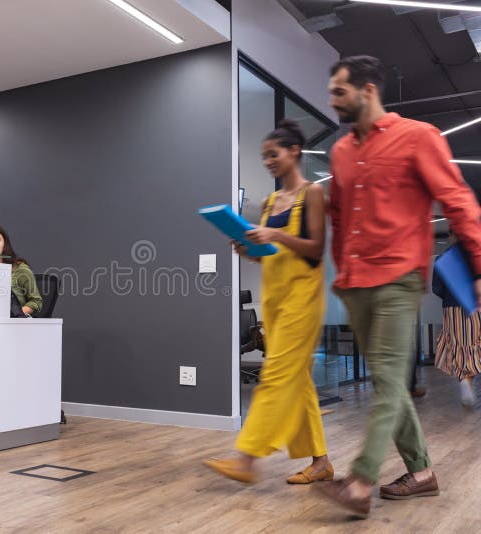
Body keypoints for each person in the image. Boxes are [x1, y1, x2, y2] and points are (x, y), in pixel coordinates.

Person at [316, 55, 481, 517]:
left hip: (397, 277)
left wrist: (480, 267)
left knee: (387, 381)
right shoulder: (342, 152)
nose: (333, 101)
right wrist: (341, 274)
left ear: (368, 90)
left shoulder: (418, 137)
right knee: (389, 381)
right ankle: (423, 472)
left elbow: (458, 201)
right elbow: (339, 216)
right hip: (356, 282)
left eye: (339, 92)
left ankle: (360, 479)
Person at [204, 119, 332, 485]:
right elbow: (268, 255)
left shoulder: (313, 195)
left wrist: (275, 232)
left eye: (273, 154)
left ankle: (246, 458)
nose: (268, 161)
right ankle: (321, 462)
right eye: (263, 157)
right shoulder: (270, 201)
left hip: (303, 301)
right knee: (300, 381)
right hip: (274, 301)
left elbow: (315, 249)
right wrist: (247, 250)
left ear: (294, 152)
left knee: (275, 374)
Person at [433, 239, 481, 408]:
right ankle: (467, 380)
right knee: (473, 343)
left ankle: (464, 380)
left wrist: (449, 297)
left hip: (450, 307)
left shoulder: (443, 258)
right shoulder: (476, 254)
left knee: (457, 345)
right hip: (474, 304)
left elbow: (436, 288)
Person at [0, 224, 42, 317]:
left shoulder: (20, 269)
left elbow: (36, 302)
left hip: (13, 324)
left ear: (5, 244)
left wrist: (14, 315)